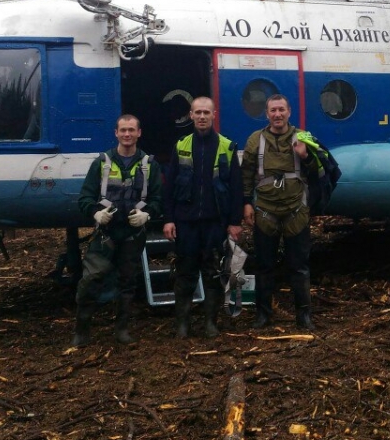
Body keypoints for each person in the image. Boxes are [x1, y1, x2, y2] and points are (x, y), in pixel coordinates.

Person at [73, 115, 161, 346]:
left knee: (127, 283)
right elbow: (85, 197)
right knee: (91, 279)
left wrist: (148, 214)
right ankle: (81, 330)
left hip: (132, 236)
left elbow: (158, 199)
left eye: (131, 130)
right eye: (123, 130)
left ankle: (122, 330)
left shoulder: (150, 164)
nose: (127, 134)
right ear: (116, 133)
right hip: (105, 234)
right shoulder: (101, 163)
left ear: (139, 133)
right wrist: (95, 213)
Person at [162, 97, 244, 338]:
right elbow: (169, 189)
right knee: (185, 274)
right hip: (186, 223)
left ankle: (211, 323)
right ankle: (183, 326)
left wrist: (234, 222)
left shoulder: (228, 147)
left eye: (206, 112)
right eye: (197, 112)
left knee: (212, 274)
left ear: (214, 114)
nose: (201, 116)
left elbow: (236, 188)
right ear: (190, 115)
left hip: (215, 222)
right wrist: (168, 219)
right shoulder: (181, 145)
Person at [241, 95, 322, 330]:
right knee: (264, 265)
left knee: (299, 266)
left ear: (289, 112)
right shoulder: (255, 140)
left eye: (281, 110)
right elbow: (246, 174)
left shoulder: (304, 137)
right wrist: (246, 203)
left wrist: (305, 156)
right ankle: (263, 315)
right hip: (265, 210)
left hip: (296, 210)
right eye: (273, 110)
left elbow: (318, 172)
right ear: (267, 114)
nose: (277, 114)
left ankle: (304, 316)